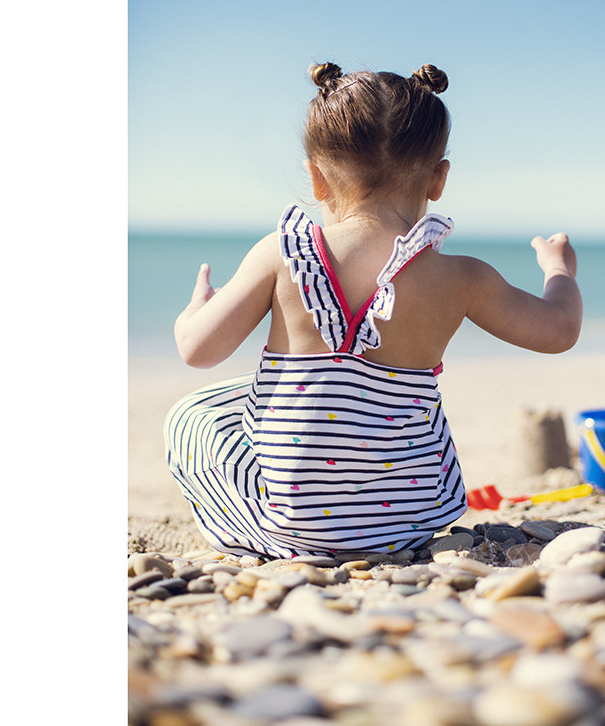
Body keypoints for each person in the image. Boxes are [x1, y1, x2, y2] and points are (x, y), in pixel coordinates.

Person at [165, 62, 582, 559]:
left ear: (317, 178)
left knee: (193, 415)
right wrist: (560, 271)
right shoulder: (463, 277)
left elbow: (197, 350)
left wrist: (196, 308)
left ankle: (249, 533)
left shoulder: (280, 253)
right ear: (439, 178)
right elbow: (558, 331)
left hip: (290, 527)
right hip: (407, 522)